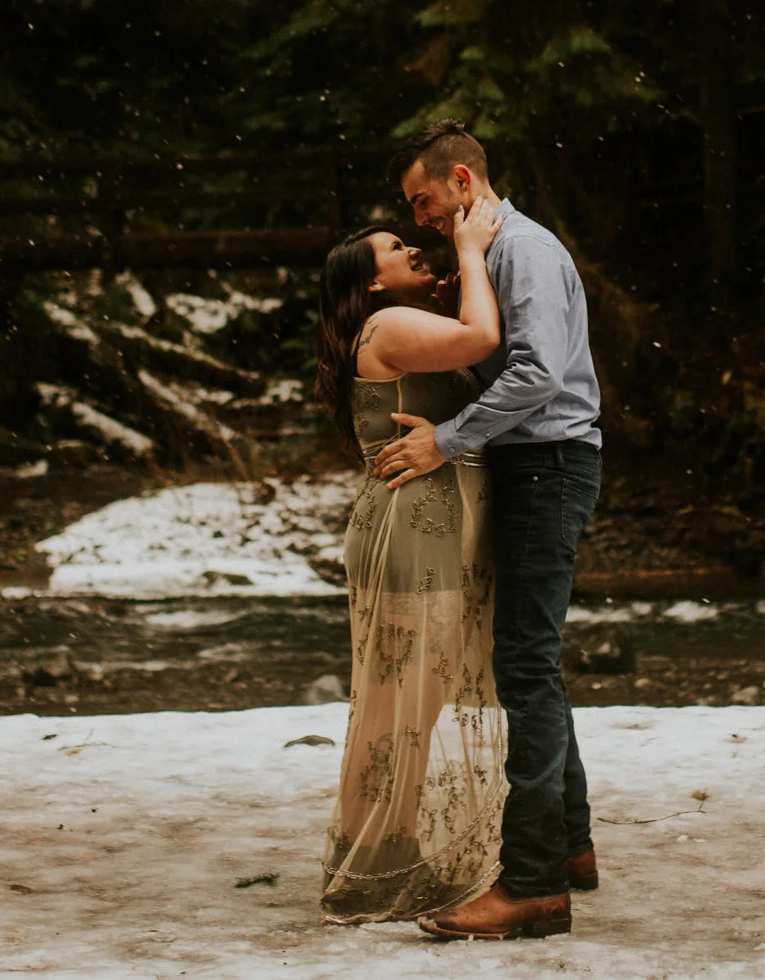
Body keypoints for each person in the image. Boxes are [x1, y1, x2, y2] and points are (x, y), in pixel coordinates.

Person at [371, 120, 602, 941]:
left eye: (425, 200)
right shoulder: (495, 253)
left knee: (526, 667)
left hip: (549, 464)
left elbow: (539, 373)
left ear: (463, 181)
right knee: (532, 660)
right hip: (539, 465)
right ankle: (567, 847)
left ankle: (534, 884)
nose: (423, 217)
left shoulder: (522, 250)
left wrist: (448, 436)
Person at [314, 203, 506, 923]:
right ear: (370, 284)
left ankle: (375, 858)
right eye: (397, 248)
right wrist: (472, 247)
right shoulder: (389, 325)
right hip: (410, 529)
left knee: (403, 709)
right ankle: (375, 865)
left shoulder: (388, 324)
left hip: (415, 525)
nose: (414, 250)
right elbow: (482, 337)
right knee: (401, 710)